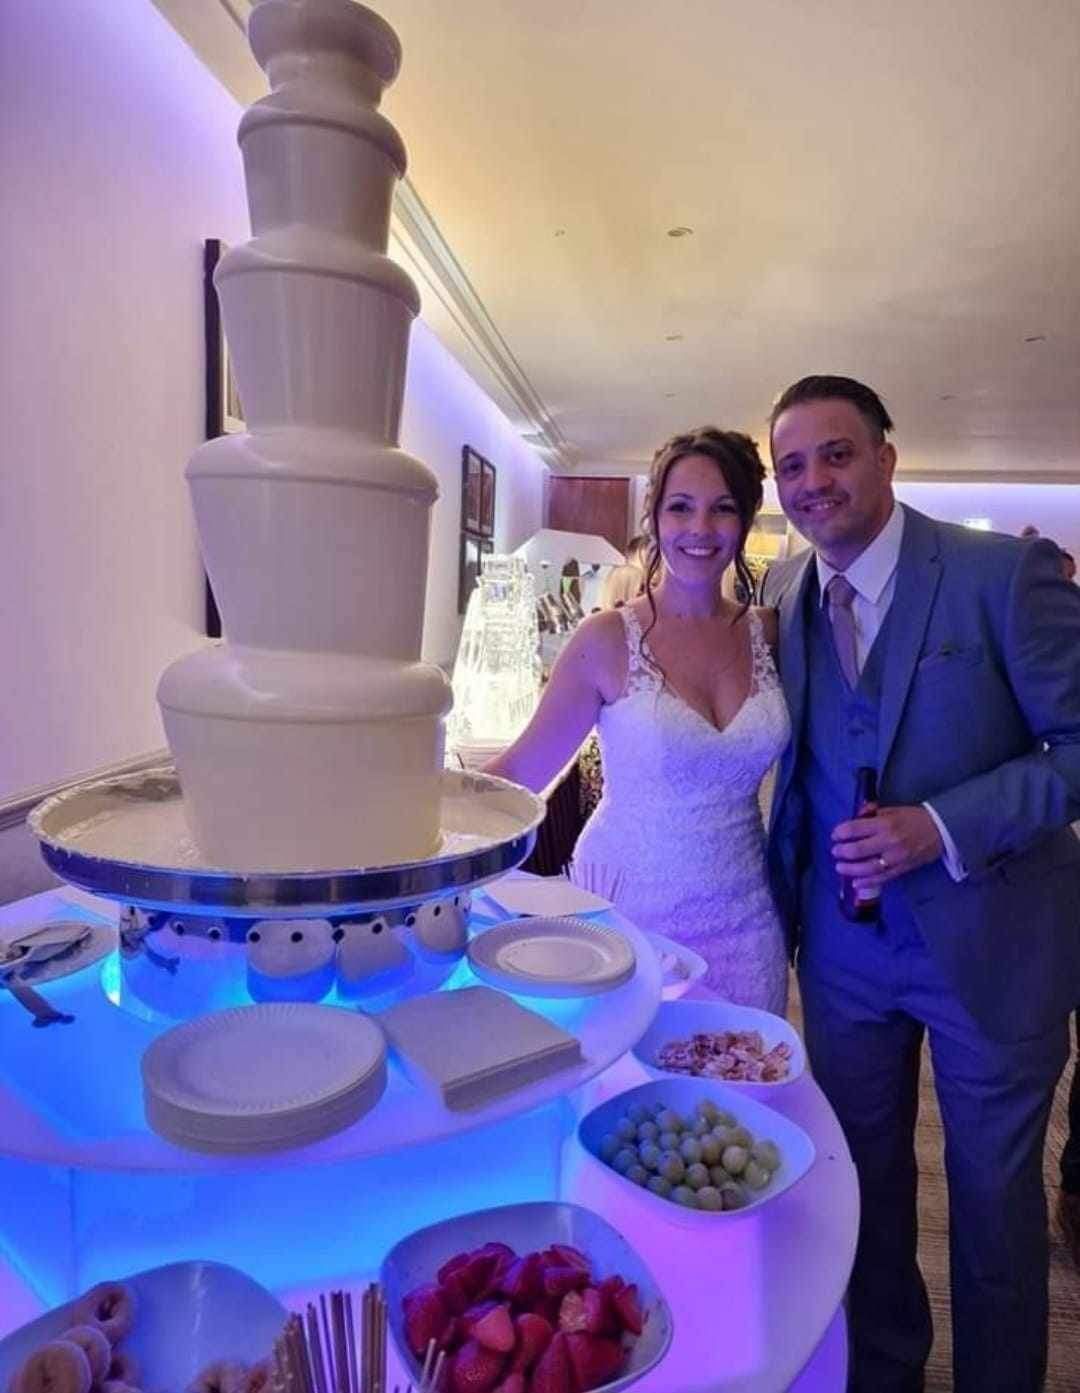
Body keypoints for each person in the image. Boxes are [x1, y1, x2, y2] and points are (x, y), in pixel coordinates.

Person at [761, 375, 1080, 1393]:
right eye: (792, 465)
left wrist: (940, 824)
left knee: (991, 1203)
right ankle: (883, 1372)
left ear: (888, 458)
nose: (814, 481)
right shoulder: (783, 593)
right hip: (846, 956)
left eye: (836, 453)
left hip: (995, 946)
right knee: (861, 1191)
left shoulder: (1004, 574)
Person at [487, 427, 790, 1012]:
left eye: (722, 509)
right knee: (624, 1087)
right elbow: (522, 771)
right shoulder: (606, 638)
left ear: (745, 520)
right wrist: (421, 823)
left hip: (747, 918)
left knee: (744, 1085)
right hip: (626, 910)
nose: (700, 529)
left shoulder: (771, 633)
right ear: (653, 518)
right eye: (680, 507)